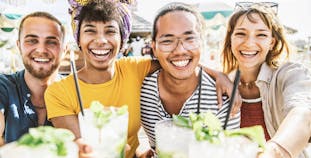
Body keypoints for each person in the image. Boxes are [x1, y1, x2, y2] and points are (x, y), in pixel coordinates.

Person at [45, 0, 241, 157]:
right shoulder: (58, 92)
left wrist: (218, 74)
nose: (101, 40)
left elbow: (175, 60)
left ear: (122, 39)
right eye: (90, 31)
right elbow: (89, 150)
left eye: (110, 31)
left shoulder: (134, 69)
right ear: (78, 38)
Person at [140, 2, 240, 156]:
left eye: (190, 39)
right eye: (167, 40)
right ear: (154, 47)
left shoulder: (223, 98)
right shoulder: (139, 87)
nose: (180, 50)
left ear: (201, 43)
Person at [222, 3, 311, 158]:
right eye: (241, 33)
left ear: (272, 42)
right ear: (231, 39)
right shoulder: (222, 83)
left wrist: (275, 151)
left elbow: (303, 114)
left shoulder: (290, 74)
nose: (249, 43)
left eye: (261, 35)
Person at [0, 12, 65, 144]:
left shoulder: (75, 90)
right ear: (19, 46)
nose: (41, 49)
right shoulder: (4, 86)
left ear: (64, 50)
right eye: (32, 40)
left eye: (51, 42)